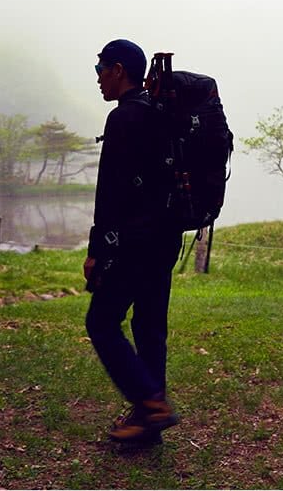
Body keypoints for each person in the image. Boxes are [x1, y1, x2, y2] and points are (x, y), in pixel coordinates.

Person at [84, 38, 182, 444]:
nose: (98, 80)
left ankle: (151, 403)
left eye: (100, 70)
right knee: (148, 326)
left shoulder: (124, 118)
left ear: (119, 69)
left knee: (101, 322)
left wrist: (96, 251)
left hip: (135, 243)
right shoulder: (160, 114)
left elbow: (111, 192)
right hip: (165, 239)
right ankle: (147, 424)